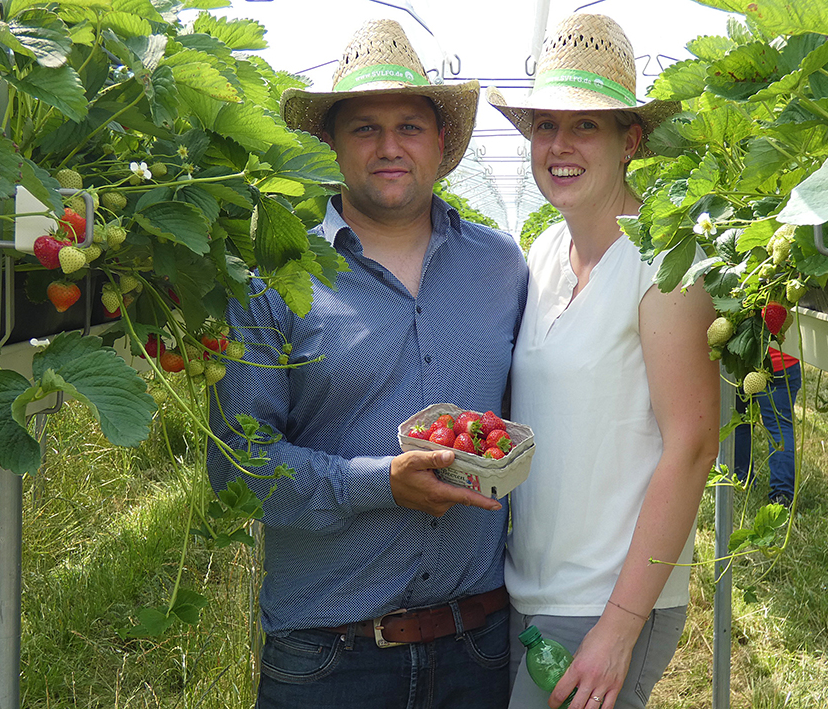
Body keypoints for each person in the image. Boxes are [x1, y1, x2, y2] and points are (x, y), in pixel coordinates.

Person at [207, 19, 528, 709]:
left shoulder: (501, 266)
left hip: (478, 643)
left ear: (440, 140)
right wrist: (378, 484)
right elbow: (238, 465)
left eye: (409, 126)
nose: (389, 146)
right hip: (330, 656)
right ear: (330, 142)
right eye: (364, 128)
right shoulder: (272, 278)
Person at [487, 13, 719, 709]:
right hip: (530, 590)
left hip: (604, 603)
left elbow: (692, 446)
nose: (559, 145)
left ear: (630, 141)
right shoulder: (543, 254)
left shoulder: (663, 265)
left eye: (585, 125)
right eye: (545, 125)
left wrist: (619, 627)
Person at [733, 348, 801, 507]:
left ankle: (741, 481)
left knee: (741, 423)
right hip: (782, 363)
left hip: (743, 361)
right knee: (780, 427)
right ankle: (782, 495)